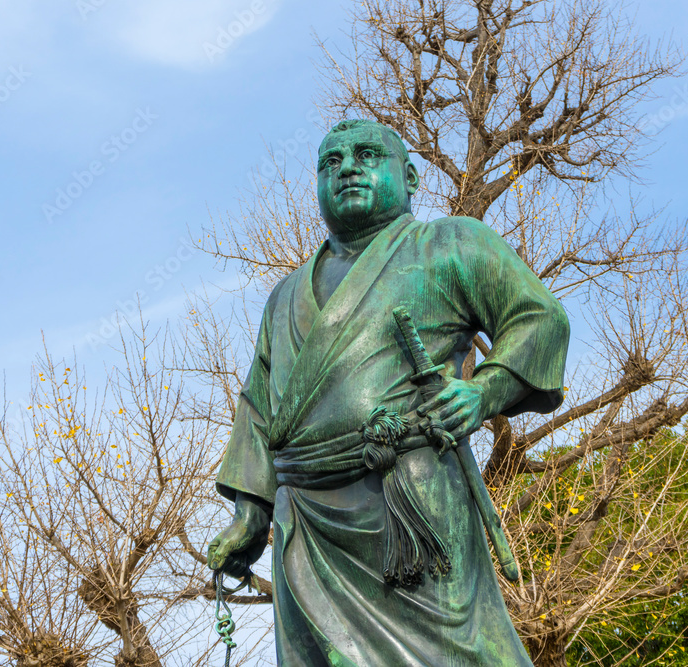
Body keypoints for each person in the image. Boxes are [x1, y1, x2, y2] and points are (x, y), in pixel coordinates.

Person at [207, 119, 569, 666]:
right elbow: (260, 406)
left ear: (411, 176)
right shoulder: (284, 297)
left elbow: (540, 319)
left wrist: (484, 391)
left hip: (410, 505)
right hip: (305, 519)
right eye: (331, 161)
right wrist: (249, 512)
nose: (347, 168)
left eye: (367, 155)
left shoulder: (451, 243)